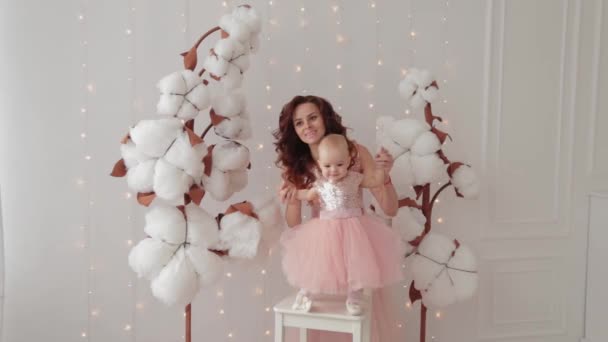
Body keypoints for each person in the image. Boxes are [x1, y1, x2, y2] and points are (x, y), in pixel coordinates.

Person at [273, 95, 404, 341]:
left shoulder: (354, 153)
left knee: (356, 322)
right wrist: (292, 196)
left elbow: (391, 208)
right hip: (323, 259)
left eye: (312, 117)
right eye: (299, 123)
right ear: (294, 130)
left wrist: (384, 174)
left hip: (355, 256)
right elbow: (294, 225)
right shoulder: (297, 165)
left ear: (326, 118)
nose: (307, 126)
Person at [282, 133, 404, 315]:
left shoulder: (355, 178)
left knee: (355, 261)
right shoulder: (319, 184)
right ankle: (306, 291)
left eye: (339, 164)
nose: (334, 170)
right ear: (319, 165)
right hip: (325, 229)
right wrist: (292, 192)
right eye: (327, 166)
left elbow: (374, 180)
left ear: (348, 161)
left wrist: (383, 170)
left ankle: (355, 296)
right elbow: (304, 194)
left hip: (353, 227)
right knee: (318, 260)